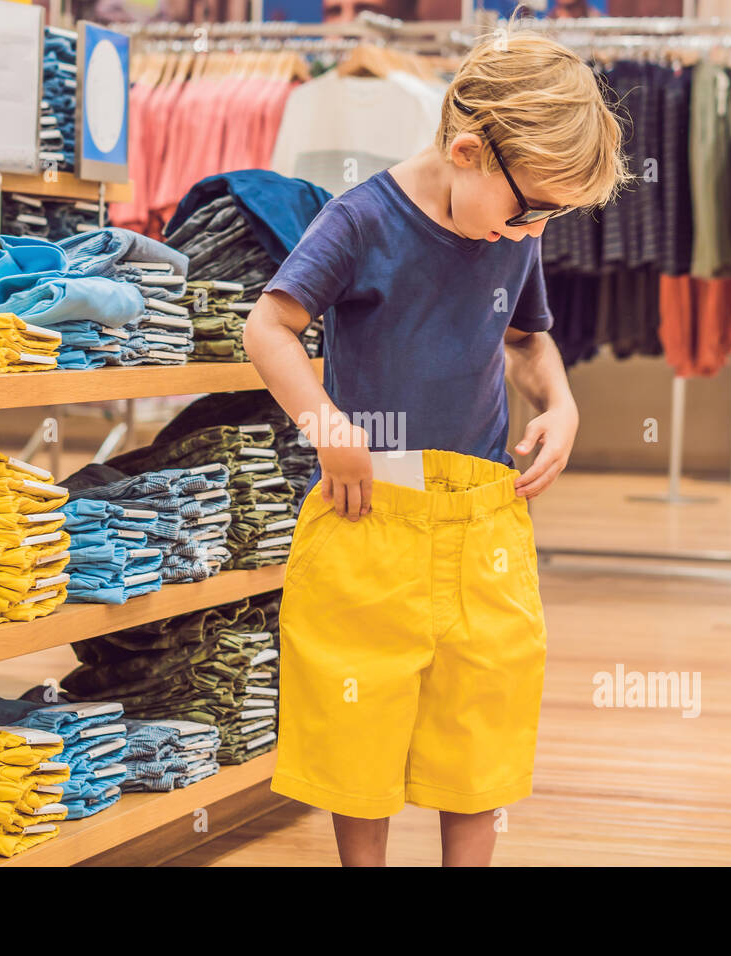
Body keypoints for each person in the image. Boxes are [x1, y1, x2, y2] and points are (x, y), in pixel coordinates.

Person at [242, 27, 627, 866]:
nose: (535, 233)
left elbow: (527, 341)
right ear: (466, 151)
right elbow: (267, 324)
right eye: (532, 210)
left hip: (482, 521)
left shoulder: (510, 235)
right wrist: (323, 424)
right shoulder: (358, 221)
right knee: (359, 734)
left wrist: (560, 403)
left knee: (480, 739)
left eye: (552, 219)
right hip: (368, 515)